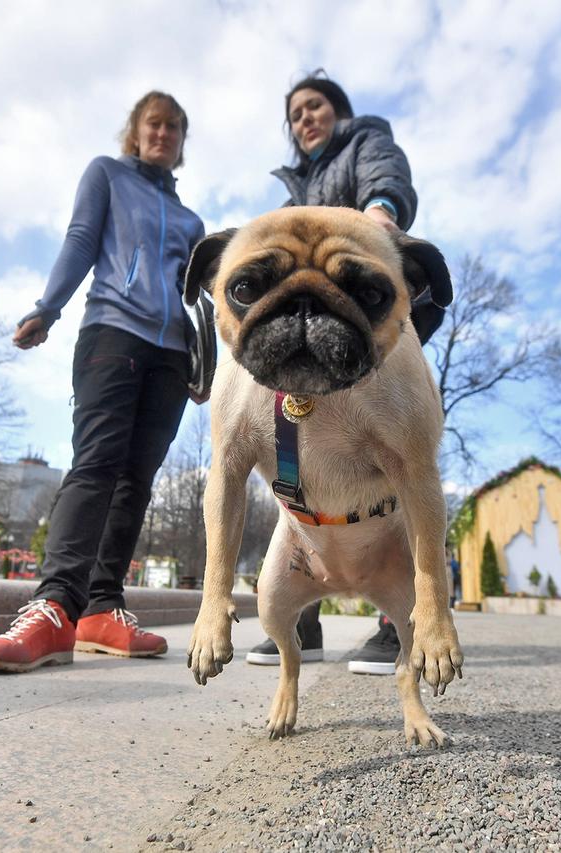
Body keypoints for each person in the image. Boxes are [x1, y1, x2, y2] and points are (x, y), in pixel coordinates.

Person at [0, 90, 205, 673]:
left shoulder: (190, 220)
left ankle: (102, 608)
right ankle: (54, 605)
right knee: (97, 463)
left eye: (174, 128)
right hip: (113, 333)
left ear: (181, 143)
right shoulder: (106, 175)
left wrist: (207, 364)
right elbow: (81, 238)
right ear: (134, 131)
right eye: (154, 124)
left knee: (137, 478)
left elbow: (196, 296)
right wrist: (48, 307)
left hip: (173, 354)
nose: (164, 134)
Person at [244, 71, 423, 677]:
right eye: (294, 114)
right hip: (302, 349)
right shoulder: (294, 185)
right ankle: (302, 616)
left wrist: (380, 215)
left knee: (397, 461)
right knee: (295, 466)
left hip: (365, 326)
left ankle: (397, 619)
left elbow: (388, 180)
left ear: (338, 112)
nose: (305, 119)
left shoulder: (365, 140)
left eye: (314, 107)